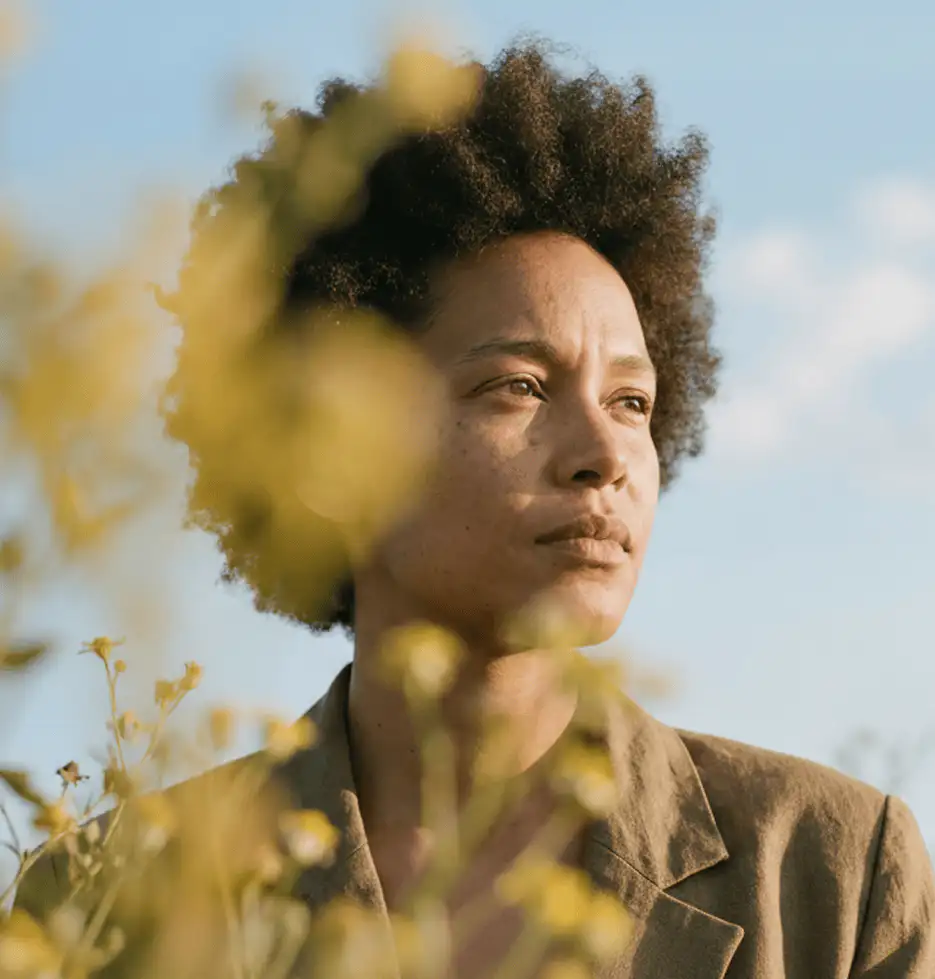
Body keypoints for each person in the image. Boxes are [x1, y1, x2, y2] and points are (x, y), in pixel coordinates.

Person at [16, 36, 934, 978]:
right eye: (519, 386)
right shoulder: (109, 896)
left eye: (631, 401)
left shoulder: (832, 873)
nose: (605, 456)